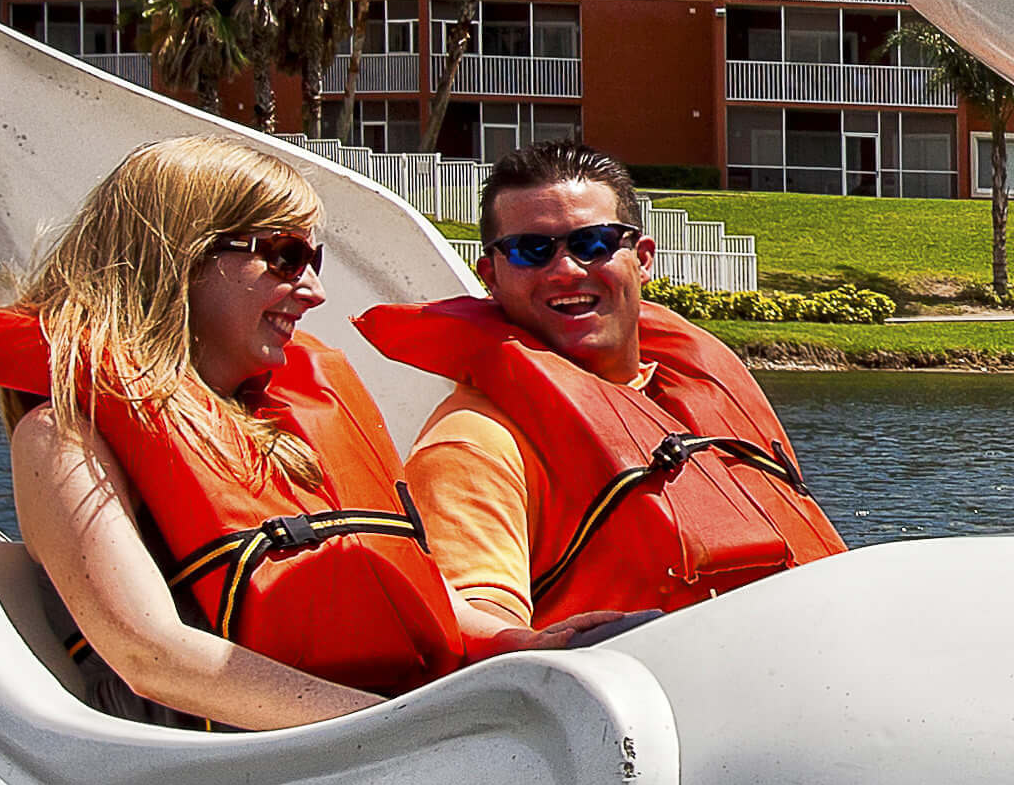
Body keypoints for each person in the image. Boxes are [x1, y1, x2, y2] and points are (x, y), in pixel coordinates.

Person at [0, 141, 474, 730]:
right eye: (285, 257)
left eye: (313, 260)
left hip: (374, 733)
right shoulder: (62, 438)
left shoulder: (287, 418)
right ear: (182, 257)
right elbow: (151, 655)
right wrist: (399, 729)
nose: (315, 292)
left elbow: (402, 582)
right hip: (219, 768)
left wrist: (520, 641)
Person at [359, 146, 843, 637]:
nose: (567, 269)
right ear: (491, 278)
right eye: (531, 250)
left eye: (594, 243)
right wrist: (527, 644)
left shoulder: (707, 397)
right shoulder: (473, 444)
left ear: (643, 259)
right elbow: (476, 612)